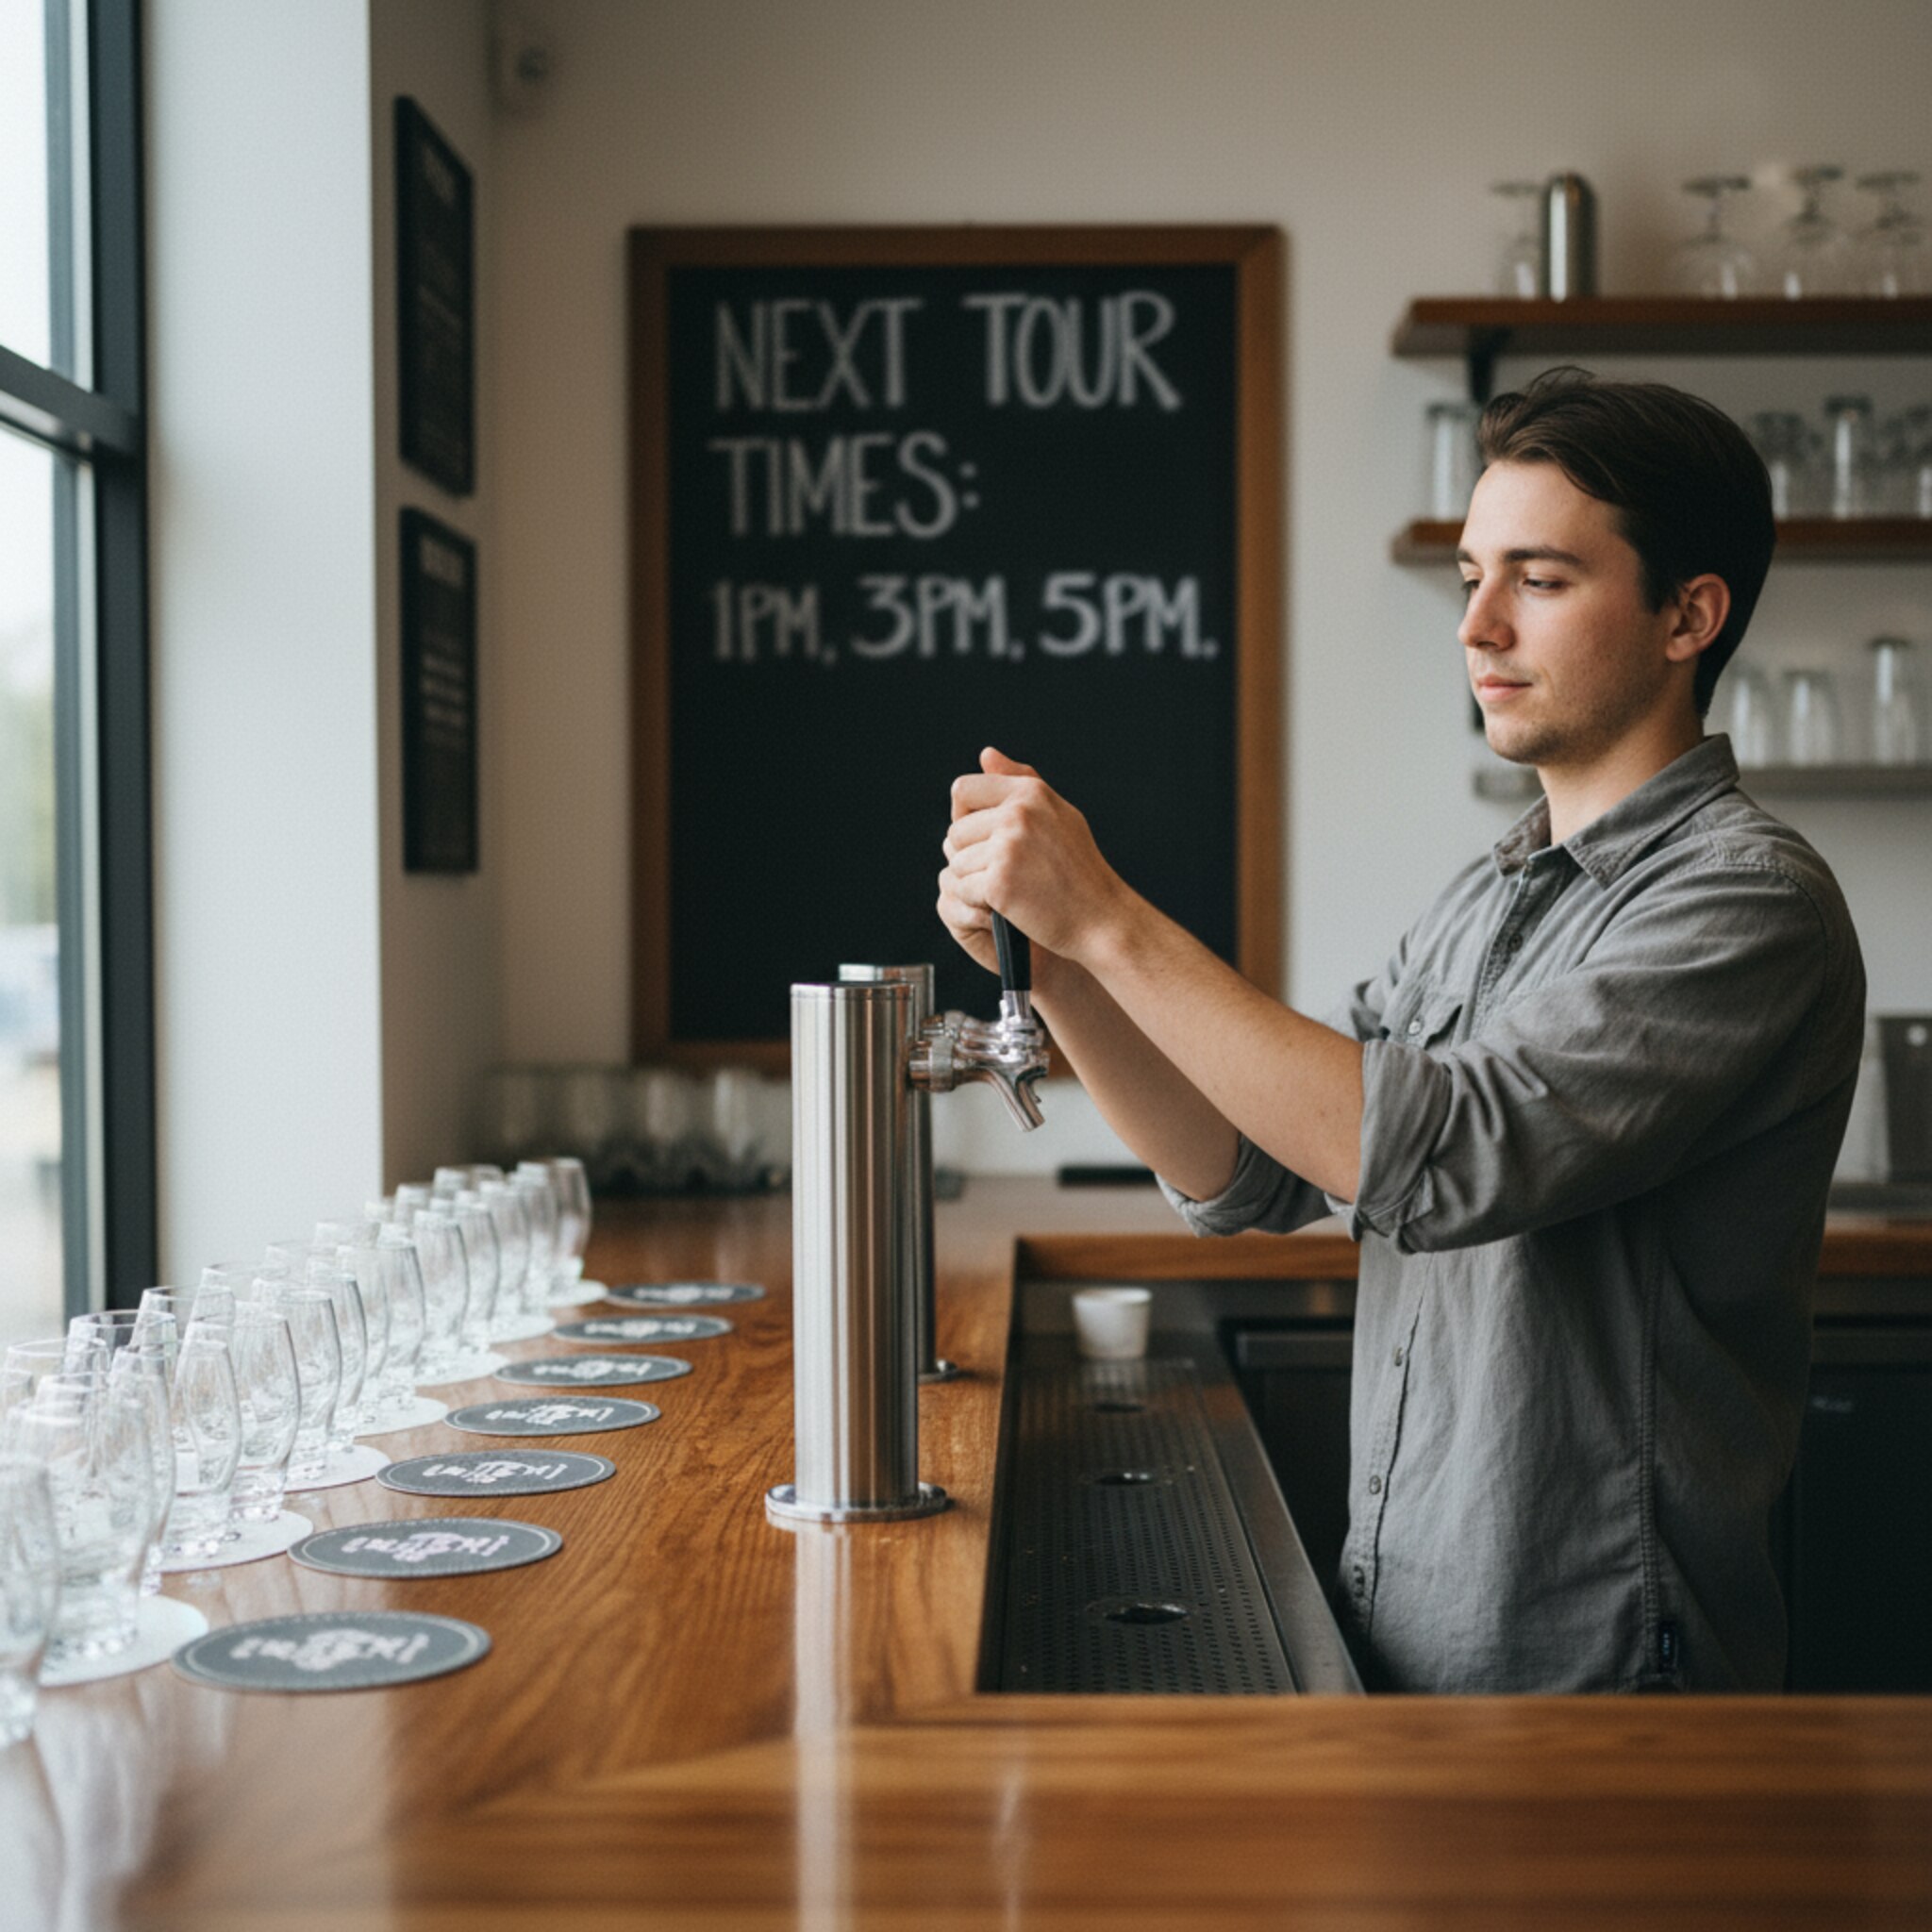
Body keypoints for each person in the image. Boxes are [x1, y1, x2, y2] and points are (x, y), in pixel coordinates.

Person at [937, 367, 1865, 1693]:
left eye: (1539, 580)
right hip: (1422, 1628)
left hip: (1601, 1674)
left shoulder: (1745, 903)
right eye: (1474, 573)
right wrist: (1071, 968)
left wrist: (1107, 917)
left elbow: (1438, 1158)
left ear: (1687, 616)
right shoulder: (1491, 891)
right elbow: (1248, 1172)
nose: (1476, 624)